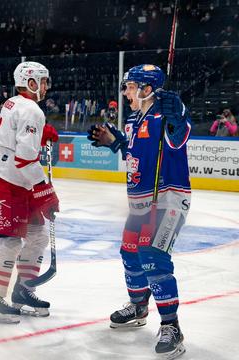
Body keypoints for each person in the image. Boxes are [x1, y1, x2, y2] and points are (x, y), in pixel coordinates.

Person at [87, 64, 190, 359]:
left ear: (147, 90)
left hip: (167, 199)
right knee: (129, 252)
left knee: (153, 257)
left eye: (131, 86)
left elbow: (179, 136)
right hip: (141, 202)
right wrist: (116, 141)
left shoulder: (166, 113)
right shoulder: (134, 117)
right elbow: (135, 153)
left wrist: (178, 114)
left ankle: (172, 326)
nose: (126, 92)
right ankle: (138, 306)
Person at [0, 61, 60, 324]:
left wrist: (38, 136)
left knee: (37, 236)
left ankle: (24, 290)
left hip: (16, 180)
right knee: (11, 241)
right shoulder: (32, 111)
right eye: (43, 81)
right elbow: (25, 159)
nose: (46, 86)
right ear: (31, 82)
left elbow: (3, 133)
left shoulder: (13, 102)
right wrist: (45, 191)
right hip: (7, 181)